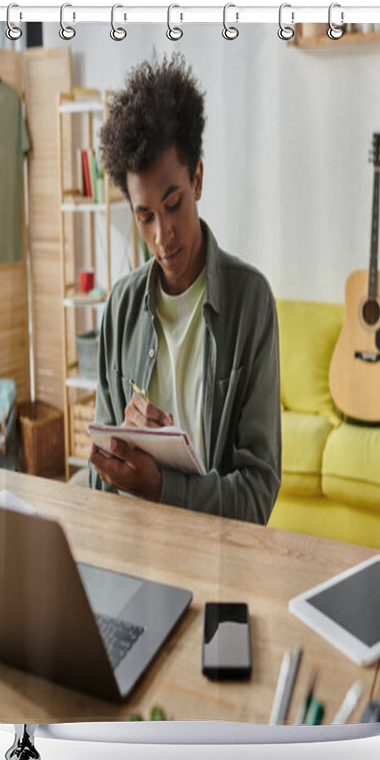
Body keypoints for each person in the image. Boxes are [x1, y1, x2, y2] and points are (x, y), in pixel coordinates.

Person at [88, 55, 281, 526]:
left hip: (214, 557)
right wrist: (122, 452)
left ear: (197, 178)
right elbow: (97, 481)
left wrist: (160, 485)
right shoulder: (121, 308)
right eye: (144, 216)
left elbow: (258, 495)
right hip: (132, 550)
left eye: (173, 204)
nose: (162, 235)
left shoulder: (250, 301)